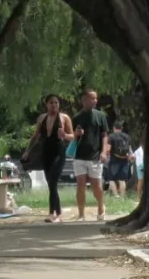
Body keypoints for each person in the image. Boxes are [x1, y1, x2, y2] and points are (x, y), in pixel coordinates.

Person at [25, 94, 73, 222]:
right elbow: (35, 136)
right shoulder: (42, 118)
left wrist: (65, 135)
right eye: (51, 102)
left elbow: (73, 137)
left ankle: (52, 213)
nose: (54, 105)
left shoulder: (64, 118)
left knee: (53, 180)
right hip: (46, 152)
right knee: (50, 183)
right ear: (46, 104)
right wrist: (27, 151)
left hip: (59, 151)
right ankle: (59, 213)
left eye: (56, 103)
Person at [72, 89, 110, 221]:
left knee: (96, 186)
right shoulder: (76, 117)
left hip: (95, 156)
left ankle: (100, 206)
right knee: (80, 185)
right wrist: (76, 134)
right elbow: (73, 137)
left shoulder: (101, 116)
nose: (95, 101)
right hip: (79, 156)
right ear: (84, 100)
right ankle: (81, 214)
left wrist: (104, 151)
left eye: (96, 98)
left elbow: (104, 135)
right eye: (92, 98)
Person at [107, 123, 132, 197]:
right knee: (122, 179)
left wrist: (106, 155)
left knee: (111, 179)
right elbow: (130, 150)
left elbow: (108, 149)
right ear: (121, 128)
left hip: (114, 160)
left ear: (114, 128)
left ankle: (116, 196)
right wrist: (130, 157)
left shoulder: (111, 136)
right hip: (125, 160)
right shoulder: (127, 136)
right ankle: (122, 197)